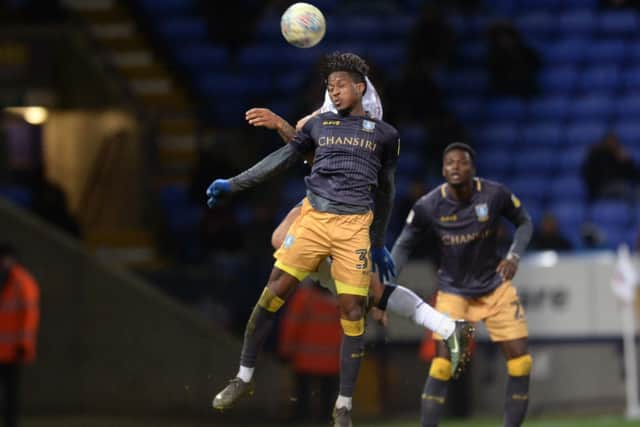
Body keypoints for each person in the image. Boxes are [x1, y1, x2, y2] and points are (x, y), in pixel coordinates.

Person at [208, 52, 400, 427]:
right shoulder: (318, 125)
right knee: (272, 293)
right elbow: (280, 159)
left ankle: (343, 406)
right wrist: (233, 184)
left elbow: (387, 193)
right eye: (329, 87)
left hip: (354, 228)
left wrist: (378, 241)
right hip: (313, 220)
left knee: (352, 310)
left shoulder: (385, 135)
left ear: (360, 88)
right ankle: (243, 378)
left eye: (340, 84)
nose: (334, 91)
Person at [391, 143, 534, 427]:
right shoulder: (429, 205)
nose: (456, 166)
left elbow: (524, 222)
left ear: (473, 168)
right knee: (444, 364)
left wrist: (514, 256)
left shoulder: (494, 194)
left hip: (494, 287)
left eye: (462, 162)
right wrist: (386, 284)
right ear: (443, 171)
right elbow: (404, 244)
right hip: (453, 293)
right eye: (450, 163)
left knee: (521, 362)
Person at [278, 280, 341, 422]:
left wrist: (285, 351)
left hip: (305, 360)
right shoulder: (341, 299)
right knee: (328, 400)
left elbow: (291, 326)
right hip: (332, 361)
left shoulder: (303, 297)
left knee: (302, 399)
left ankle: (302, 419)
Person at [0, 244, 39, 427]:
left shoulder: (22, 282)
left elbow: (29, 316)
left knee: (11, 394)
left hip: (13, 351)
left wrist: (24, 344)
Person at [582, 132, 639, 201]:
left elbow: (633, 175)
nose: (612, 144)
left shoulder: (620, 157)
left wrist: (627, 161)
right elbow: (588, 174)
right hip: (600, 189)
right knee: (623, 188)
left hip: (621, 186)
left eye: (614, 142)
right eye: (610, 142)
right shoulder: (597, 156)